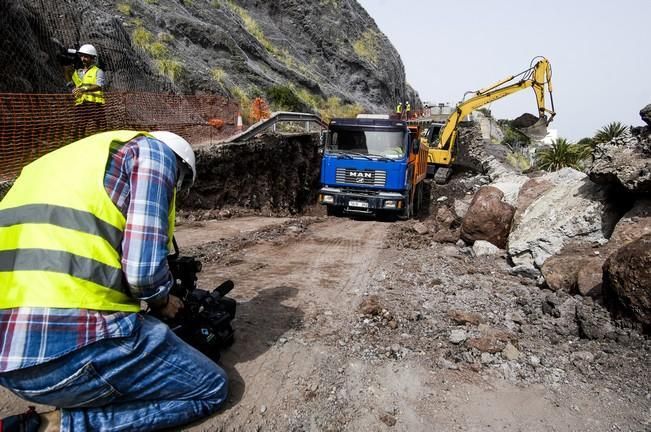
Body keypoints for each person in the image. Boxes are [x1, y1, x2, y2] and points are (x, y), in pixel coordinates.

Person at [0, 131, 228, 431]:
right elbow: (144, 274)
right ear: (179, 170)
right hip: (69, 358)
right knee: (211, 388)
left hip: (11, 369)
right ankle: (55, 425)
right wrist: (162, 302)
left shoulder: (47, 167)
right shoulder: (155, 154)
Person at [69, 44, 106, 139]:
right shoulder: (78, 72)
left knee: (101, 130)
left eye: (86, 56)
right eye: (81, 56)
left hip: (95, 105)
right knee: (78, 131)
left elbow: (99, 85)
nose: (83, 58)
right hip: (81, 104)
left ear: (92, 58)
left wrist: (84, 89)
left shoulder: (98, 71)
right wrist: (73, 89)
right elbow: (74, 84)